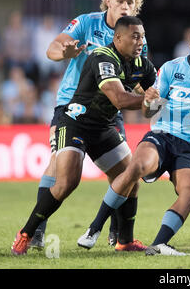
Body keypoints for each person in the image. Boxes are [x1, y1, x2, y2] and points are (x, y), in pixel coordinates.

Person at [79, 26, 190, 256]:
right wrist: (148, 101)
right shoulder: (172, 68)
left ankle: (159, 244)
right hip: (162, 135)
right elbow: (148, 112)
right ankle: (94, 228)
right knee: (136, 166)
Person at [11, 16, 157, 256]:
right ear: (117, 38)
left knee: (131, 177)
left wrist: (167, 100)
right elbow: (120, 99)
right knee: (67, 182)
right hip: (76, 122)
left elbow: (161, 92)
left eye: (142, 36)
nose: (140, 41)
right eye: (134, 36)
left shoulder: (142, 65)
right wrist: (149, 100)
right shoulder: (103, 57)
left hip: (104, 127)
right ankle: (26, 233)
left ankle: (124, 240)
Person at [30, 0, 148, 250]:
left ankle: (118, 234)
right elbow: (52, 49)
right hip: (72, 105)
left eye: (130, 2)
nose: (125, 7)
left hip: (108, 111)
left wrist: (148, 97)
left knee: (124, 171)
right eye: (120, 1)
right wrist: (66, 53)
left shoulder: (137, 35)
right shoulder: (86, 23)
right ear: (108, 1)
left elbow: (140, 77)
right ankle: (36, 231)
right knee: (59, 167)